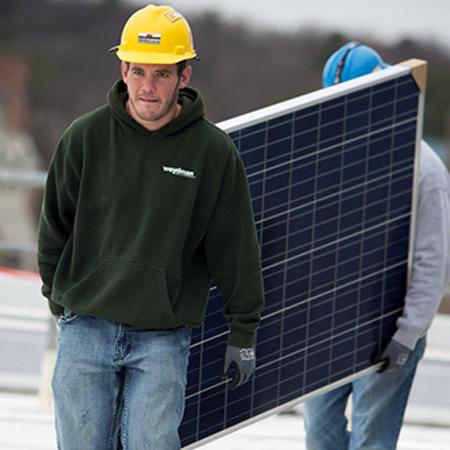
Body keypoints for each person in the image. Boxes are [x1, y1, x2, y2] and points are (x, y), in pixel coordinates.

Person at [37, 4, 264, 450]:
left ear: (184, 76)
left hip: (161, 335)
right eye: (139, 71)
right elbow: (53, 228)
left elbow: (234, 248)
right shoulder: (85, 138)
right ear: (123, 69)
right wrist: (59, 296)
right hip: (87, 325)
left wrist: (244, 333)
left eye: (162, 74)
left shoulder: (212, 152)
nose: (147, 86)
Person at [303, 42, 450, 450]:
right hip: (329, 326)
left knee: (371, 438)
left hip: (390, 330)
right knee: (320, 435)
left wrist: (406, 335)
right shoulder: (328, 162)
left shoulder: (425, 171)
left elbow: (431, 263)